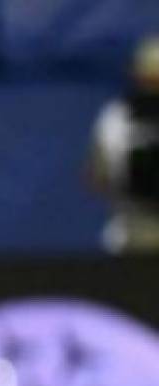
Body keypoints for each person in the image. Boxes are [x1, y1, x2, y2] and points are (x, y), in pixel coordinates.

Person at [90, 36, 159, 253]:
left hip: (134, 232)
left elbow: (97, 178)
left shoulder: (116, 116)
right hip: (134, 231)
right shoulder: (116, 116)